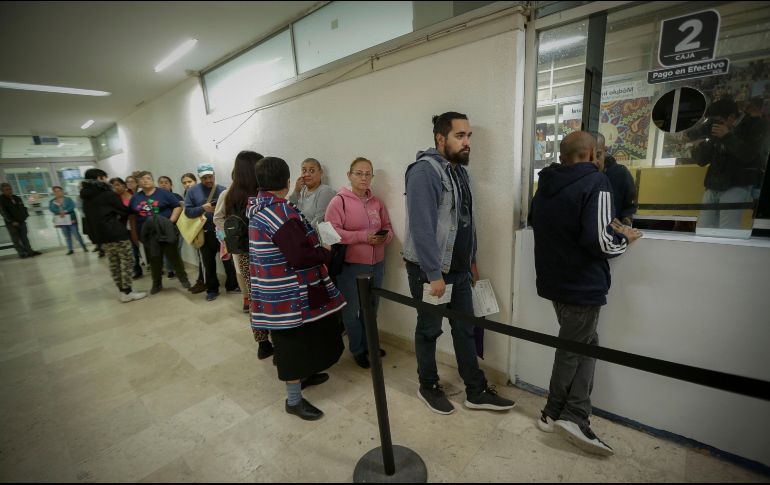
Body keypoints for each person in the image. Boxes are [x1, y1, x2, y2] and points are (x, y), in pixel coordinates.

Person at [530, 130, 642, 456]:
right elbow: (601, 241)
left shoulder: (545, 186)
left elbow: (545, 225)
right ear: (593, 153)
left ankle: (567, 411)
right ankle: (564, 414)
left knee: (584, 344)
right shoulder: (596, 183)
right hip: (583, 285)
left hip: (554, 283)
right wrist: (625, 238)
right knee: (572, 348)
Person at [403, 111, 516, 415]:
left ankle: (475, 391)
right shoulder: (424, 172)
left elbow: (464, 221)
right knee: (429, 330)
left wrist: (472, 260)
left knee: (465, 329)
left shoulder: (460, 172)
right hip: (432, 272)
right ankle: (428, 386)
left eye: (469, 136)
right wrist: (432, 273)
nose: (467, 142)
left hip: (461, 269)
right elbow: (422, 227)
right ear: (441, 138)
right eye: (460, 136)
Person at [248, 156, 345, 420]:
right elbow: (300, 256)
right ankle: (294, 400)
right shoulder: (279, 213)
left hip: (274, 286)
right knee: (291, 345)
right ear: (289, 179)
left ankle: (308, 373)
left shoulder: (259, 206)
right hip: (288, 292)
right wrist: (324, 251)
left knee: (307, 336)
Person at [325, 157, 393, 369]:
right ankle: (357, 349)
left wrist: (385, 237)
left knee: (371, 309)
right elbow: (330, 232)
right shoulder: (339, 201)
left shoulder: (377, 202)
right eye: (359, 173)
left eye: (368, 174)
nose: (364, 178)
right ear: (349, 175)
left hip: (377, 264)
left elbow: (388, 227)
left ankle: (370, 345)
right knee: (352, 310)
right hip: (351, 267)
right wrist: (363, 237)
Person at [213, 151, 275, 360]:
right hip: (253, 254)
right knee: (258, 298)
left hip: (257, 253)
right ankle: (263, 341)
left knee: (261, 298)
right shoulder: (230, 193)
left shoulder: (256, 191)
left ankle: (267, 340)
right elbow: (218, 218)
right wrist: (230, 239)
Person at [690, 97, 769, 231]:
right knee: (704, 228)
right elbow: (702, 160)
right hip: (713, 184)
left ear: (732, 117)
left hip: (738, 184)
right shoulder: (719, 127)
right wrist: (696, 147)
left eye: (718, 120)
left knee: (728, 230)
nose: (714, 124)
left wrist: (727, 137)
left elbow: (751, 155)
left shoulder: (756, 125)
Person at [81, 169, 147, 303]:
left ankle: (122, 290)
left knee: (114, 263)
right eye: (105, 178)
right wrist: (138, 208)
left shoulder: (85, 196)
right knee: (126, 261)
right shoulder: (106, 194)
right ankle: (127, 292)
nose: (106, 180)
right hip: (116, 233)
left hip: (102, 235)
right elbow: (123, 210)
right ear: (100, 178)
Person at [129, 171, 190, 294]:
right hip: (149, 235)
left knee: (174, 257)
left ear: (152, 180)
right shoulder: (135, 197)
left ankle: (184, 279)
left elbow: (177, 206)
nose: (145, 181)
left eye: (148, 178)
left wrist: (170, 221)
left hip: (166, 231)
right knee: (154, 259)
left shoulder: (163, 193)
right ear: (139, 183)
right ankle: (157, 283)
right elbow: (132, 216)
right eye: (142, 179)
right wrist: (135, 235)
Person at [184, 163, 238, 301]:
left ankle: (232, 285)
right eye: (204, 178)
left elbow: (231, 208)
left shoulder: (222, 190)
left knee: (228, 260)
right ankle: (212, 289)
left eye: (210, 176)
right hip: (204, 232)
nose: (208, 180)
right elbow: (188, 212)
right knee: (208, 263)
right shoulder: (192, 191)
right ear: (199, 177)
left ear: (214, 175)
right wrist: (203, 208)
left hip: (222, 232)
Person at [594, 133, 637, 226]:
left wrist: (625, 221)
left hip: (614, 232)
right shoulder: (583, 176)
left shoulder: (621, 173)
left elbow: (630, 205)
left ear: (605, 150)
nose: (594, 161)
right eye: (589, 157)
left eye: (597, 155)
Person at [288, 158, 336, 227]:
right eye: (304, 171)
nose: (307, 174)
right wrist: (296, 190)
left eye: (312, 170)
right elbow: (288, 209)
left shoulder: (325, 191)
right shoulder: (301, 189)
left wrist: (302, 233)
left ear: (320, 172)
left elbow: (319, 220)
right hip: (297, 229)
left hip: (311, 234)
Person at [112, 177, 144, 278]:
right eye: (113, 185)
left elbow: (140, 209)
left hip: (136, 225)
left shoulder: (134, 196)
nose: (116, 187)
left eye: (118, 184)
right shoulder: (114, 198)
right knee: (132, 250)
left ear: (123, 185)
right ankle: (136, 269)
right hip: (122, 227)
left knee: (140, 246)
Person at [0, 182, 40, 258]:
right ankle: (22, 253)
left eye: (10, 189)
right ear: (2, 191)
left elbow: (22, 207)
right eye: (7, 189)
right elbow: (3, 212)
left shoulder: (16, 198)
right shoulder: (1, 200)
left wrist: (25, 215)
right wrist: (12, 221)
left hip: (21, 221)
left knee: (24, 237)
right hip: (12, 223)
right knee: (16, 239)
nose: (9, 191)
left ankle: (29, 251)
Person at [181, 172, 205, 294]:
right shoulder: (186, 195)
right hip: (194, 229)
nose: (187, 184)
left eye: (189, 181)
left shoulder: (199, 193)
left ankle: (203, 281)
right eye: (184, 183)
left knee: (204, 258)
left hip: (204, 227)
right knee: (200, 257)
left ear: (196, 181)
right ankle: (201, 280)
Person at [48, 186, 88, 254]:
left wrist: (65, 211)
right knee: (67, 236)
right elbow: (52, 209)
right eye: (56, 191)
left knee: (76, 234)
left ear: (62, 191)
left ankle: (84, 247)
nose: (58, 192)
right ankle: (70, 249)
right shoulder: (52, 201)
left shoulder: (68, 199)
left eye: (59, 191)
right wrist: (59, 212)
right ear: (54, 192)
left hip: (71, 219)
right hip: (62, 221)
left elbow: (72, 206)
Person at [158, 175, 184, 279]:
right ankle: (170, 270)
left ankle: (178, 268)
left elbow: (183, 211)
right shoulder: (156, 198)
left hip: (177, 227)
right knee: (166, 249)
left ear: (171, 185)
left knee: (177, 249)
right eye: (161, 182)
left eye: (166, 182)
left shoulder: (177, 197)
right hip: (162, 227)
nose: (163, 184)